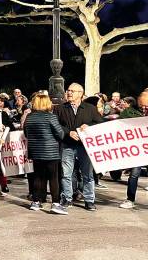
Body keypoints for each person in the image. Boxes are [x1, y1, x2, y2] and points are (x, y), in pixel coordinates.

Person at [54, 83, 102, 211]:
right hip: (67, 145)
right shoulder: (60, 108)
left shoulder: (90, 108)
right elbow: (56, 125)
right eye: (68, 90)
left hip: (85, 146)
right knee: (66, 174)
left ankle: (89, 200)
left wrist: (89, 126)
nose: (69, 93)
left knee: (88, 174)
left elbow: (99, 123)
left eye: (72, 91)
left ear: (80, 93)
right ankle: (67, 198)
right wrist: (68, 132)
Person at [24, 94, 67, 214]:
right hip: (51, 151)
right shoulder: (51, 117)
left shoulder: (29, 117)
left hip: (35, 151)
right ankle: (55, 203)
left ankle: (36, 201)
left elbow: (26, 133)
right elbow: (60, 134)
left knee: (38, 176)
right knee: (53, 178)